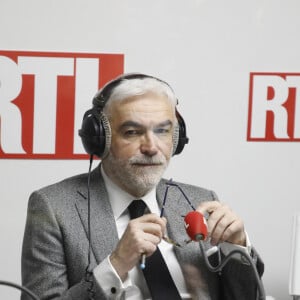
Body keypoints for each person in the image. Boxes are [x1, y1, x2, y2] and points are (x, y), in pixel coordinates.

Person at [21, 73, 264, 300]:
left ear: (177, 139)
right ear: (99, 138)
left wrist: (237, 248)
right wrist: (115, 266)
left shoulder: (199, 200)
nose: (151, 147)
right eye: (132, 132)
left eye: (162, 131)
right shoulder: (53, 207)